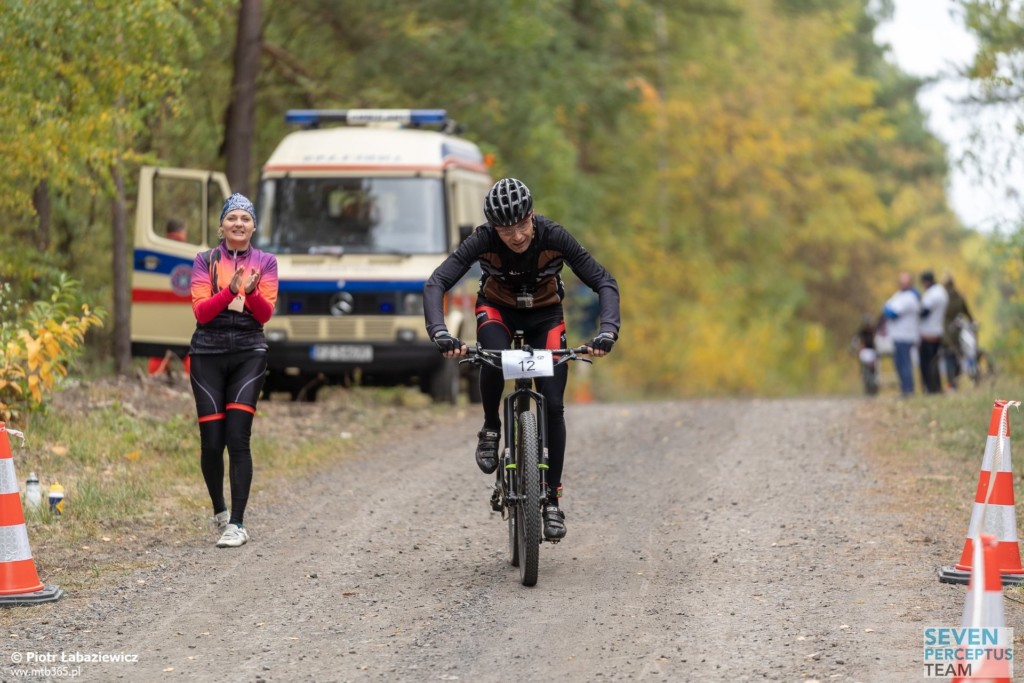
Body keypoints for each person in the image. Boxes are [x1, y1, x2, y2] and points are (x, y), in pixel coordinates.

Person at [423, 178, 621, 541]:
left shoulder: (554, 235)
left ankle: (552, 501)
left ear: (532, 215)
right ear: (493, 227)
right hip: (498, 310)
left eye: (522, 225)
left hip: (545, 316)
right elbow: (437, 282)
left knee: (554, 405)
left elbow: (604, 282)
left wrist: (607, 330)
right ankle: (490, 428)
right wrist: (439, 332)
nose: (516, 236)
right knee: (492, 357)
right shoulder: (482, 239)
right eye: (505, 229)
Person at [188, 194, 278, 548]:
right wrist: (231, 290)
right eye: (232, 218)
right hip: (207, 353)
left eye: (245, 218)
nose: (238, 223)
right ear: (221, 225)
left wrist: (251, 293)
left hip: (248, 352)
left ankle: (237, 524)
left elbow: (265, 314)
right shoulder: (204, 261)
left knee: (238, 437)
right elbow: (201, 312)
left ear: (254, 226)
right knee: (212, 442)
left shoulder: (266, 262)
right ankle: (220, 511)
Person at [148, 219, 192, 376]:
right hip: (185, 313)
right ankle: (190, 380)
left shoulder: (157, 252)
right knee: (192, 348)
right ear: (182, 232)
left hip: (161, 311)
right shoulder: (190, 254)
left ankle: (155, 377)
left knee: (159, 351)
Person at [882, 271, 921, 397]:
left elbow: (891, 312)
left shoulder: (910, 297)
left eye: (905, 281)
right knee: (899, 364)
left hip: (905, 335)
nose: (902, 283)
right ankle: (905, 389)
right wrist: (886, 308)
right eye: (901, 280)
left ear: (910, 282)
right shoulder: (900, 295)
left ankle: (908, 390)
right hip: (897, 335)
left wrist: (886, 308)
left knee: (904, 364)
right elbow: (888, 307)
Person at [918, 270, 948, 394]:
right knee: (935, 362)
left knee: (927, 363)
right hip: (938, 330)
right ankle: (936, 386)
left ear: (927, 282)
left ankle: (930, 388)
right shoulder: (942, 291)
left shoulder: (932, 293)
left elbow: (924, 312)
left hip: (928, 333)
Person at [942, 274, 973, 390]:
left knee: (949, 358)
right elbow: (967, 312)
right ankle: (955, 381)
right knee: (957, 357)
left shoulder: (942, 298)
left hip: (945, 332)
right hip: (958, 331)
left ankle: (951, 383)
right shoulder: (959, 297)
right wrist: (972, 321)